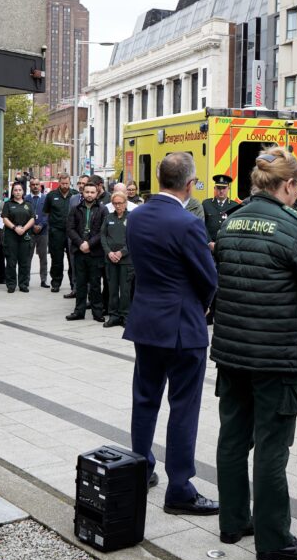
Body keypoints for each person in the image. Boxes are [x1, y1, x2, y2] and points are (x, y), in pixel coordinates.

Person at [211, 147, 297, 560]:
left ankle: (233, 521)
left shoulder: (231, 221)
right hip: (275, 356)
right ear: (289, 185)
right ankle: (274, 540)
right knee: (273, 447)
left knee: (233, 439)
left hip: (232, 352)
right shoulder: (294, 228)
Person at [124, 151, 219, 516]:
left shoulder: (137, 216)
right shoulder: (187, 222)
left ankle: (140, 467)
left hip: (147, 321)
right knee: (183, 407)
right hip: (182, 325)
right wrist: (204, 303)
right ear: (190, 184)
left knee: (145, 399)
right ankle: (179, 487)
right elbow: (207, 275)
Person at [66, 181, 106, 321]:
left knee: (95, 284)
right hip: (79, 251)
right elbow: (70, 229)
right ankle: (79, 312)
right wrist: (80, 243)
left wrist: (89, 244)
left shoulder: (102, 210)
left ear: (97, 193)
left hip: (95, 253)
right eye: (87, 192)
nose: (89, 195)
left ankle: (97, 313)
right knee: (81, 283)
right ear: (83, 192)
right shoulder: (75, 209)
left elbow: (103, 231)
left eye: (92, 192)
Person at [100, 191, 133, 328]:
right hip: (111, 260)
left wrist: (121, 252)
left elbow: (134, 238)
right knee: (112, 289)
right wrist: (109, 252)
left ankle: (125, 315)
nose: (118, 206)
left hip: (126, 261)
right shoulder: (108, 218)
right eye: (115, 203)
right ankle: (113, 315)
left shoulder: (132, 218)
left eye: (120, 203)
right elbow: (103, 237)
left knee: (125, 290)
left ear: (125, 203)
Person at [43, 173, 76, 294]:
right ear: (59, 182)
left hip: (71, 232)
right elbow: (46, 212)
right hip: (56, 232)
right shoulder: (51, 195)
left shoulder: (75, 194)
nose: (65, 186)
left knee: (72, 259)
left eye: (67, 183)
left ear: (70, 182)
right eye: (62, 183)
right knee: (56, 259)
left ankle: (74, 284)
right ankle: (56, 283)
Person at [1, 182, 35, 293]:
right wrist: (15, 228)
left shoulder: (28, 204)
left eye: (20, 190)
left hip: (25, 236)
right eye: (15, 190)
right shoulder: (8, 204)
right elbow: (5, 219)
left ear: (23, 191)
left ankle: (23, 284)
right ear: (12, 192)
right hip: (11, 236)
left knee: (24, 262)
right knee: (11, 262)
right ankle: (11, 285)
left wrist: (24, 229)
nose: (18, 192)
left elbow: (32, 219)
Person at [202, 174, 241, 251]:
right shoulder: (206, 204)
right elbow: (202, 225)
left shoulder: (235, 206)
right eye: (219, 188)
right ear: (214, 188)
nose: (221, 191)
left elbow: (236, 228)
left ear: (228, 188)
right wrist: (209, 242)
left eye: (224, 188)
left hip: (227, 246)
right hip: (209, 247)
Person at [26, 178, 50, 288]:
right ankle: (26, 279)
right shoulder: (25, 199)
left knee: (43, 257)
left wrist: (41, 225)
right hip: (29, 232)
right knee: (27, 257)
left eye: (37, 184)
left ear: (40, 186)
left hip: (43, 232)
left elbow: (48, 214)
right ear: (30, 186)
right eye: (33, 184)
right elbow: (24, 215)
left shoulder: (46, 199)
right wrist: (32, 225)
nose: (35, 186)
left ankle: (43, 279)